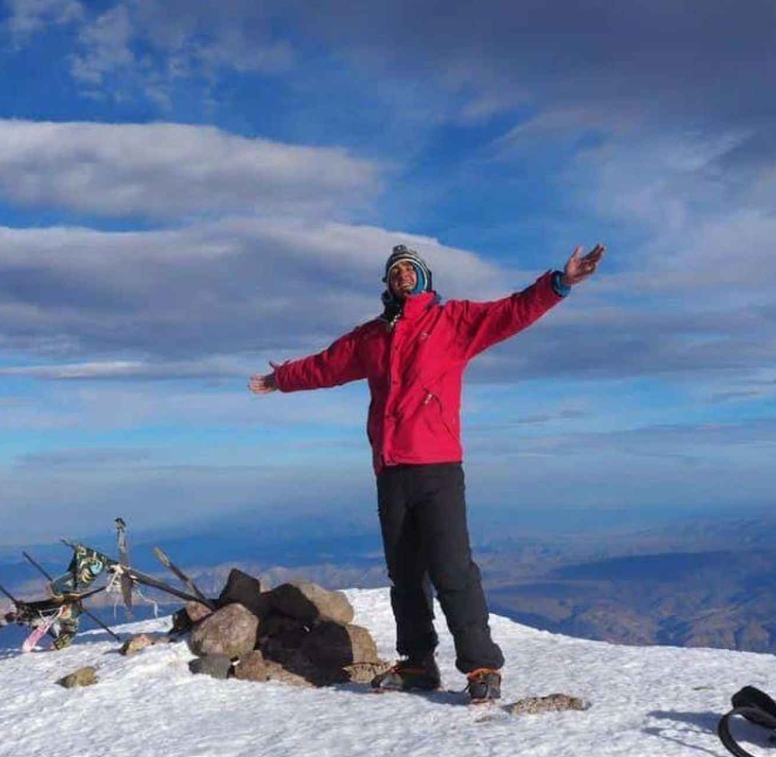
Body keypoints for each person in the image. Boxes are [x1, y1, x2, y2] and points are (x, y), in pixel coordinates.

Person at [249, 242, 604, 703]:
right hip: (391, 469)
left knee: (452, 569)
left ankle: (481, 666)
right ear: (388, 283)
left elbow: (511, 312)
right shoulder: (372, 337)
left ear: (424, 278)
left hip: (437, 467)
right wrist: (283, 379)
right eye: (395, 271)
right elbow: (328, 364)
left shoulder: (451, 322)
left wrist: (558, 283)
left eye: (410, 269)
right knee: (406, 575)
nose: (403, 276)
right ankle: (418, 664)